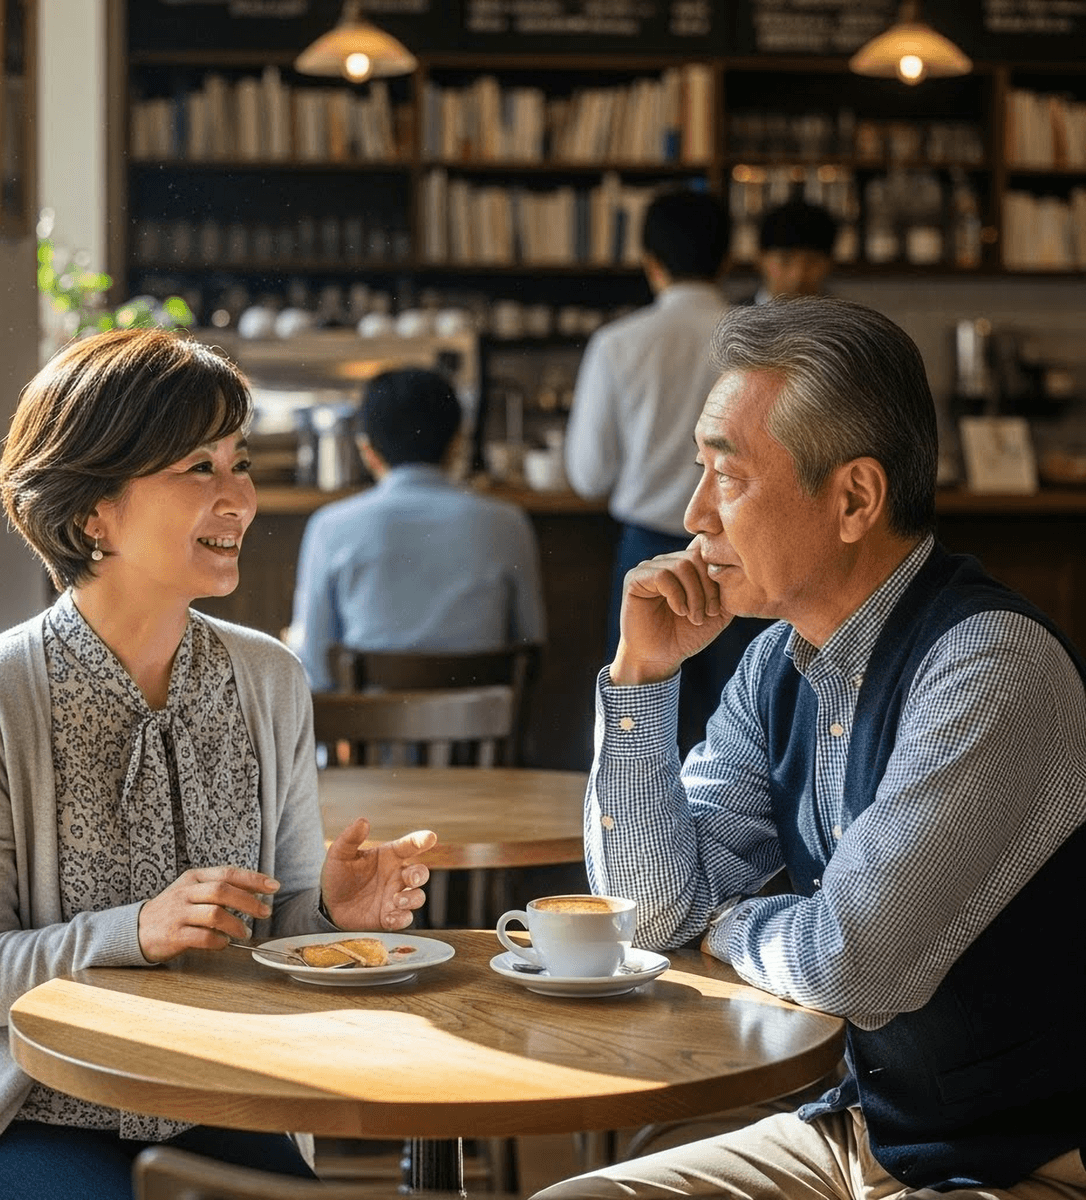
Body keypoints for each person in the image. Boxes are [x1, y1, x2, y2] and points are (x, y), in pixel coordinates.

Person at [538, 296, 1086, 1200]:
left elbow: (847, 965)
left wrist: (723, 924)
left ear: (855, 500)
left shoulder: (991, 666)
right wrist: (640, 679)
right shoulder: (774, 666)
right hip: (862, 1133)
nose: (692, 514)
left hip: (1026, 1159)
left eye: (730, 476)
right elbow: (646, 907)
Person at [0, 329, 437, 1200]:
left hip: (220, 1094)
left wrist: (330, 907)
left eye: (238, 462)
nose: (240, 498)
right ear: (90, 512)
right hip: (21, 1105)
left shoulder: (269, 680)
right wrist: (131, 932)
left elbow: (278, 934)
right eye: (197, 469)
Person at [564, 185, 766, 753]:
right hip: (750, 548)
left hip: (648, 551)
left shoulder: (617, 344)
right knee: (746, 730)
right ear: (728, 260)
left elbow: (588, 475)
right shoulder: (765, 344)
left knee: (644, 723)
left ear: (650, 264)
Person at [288, 366, 545, 692]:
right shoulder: (509, 524)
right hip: (480, 736)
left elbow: (316, 669)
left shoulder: (329, 527)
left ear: (367, 451)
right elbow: (531, 647)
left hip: (370, 738)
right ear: (457, 443)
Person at [748, 197, 837, 303]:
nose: (797, 276)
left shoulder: (846, 318)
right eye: (785, 260)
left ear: (830, 264)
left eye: (811, 262)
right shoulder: (731, 317)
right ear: (760, 259)